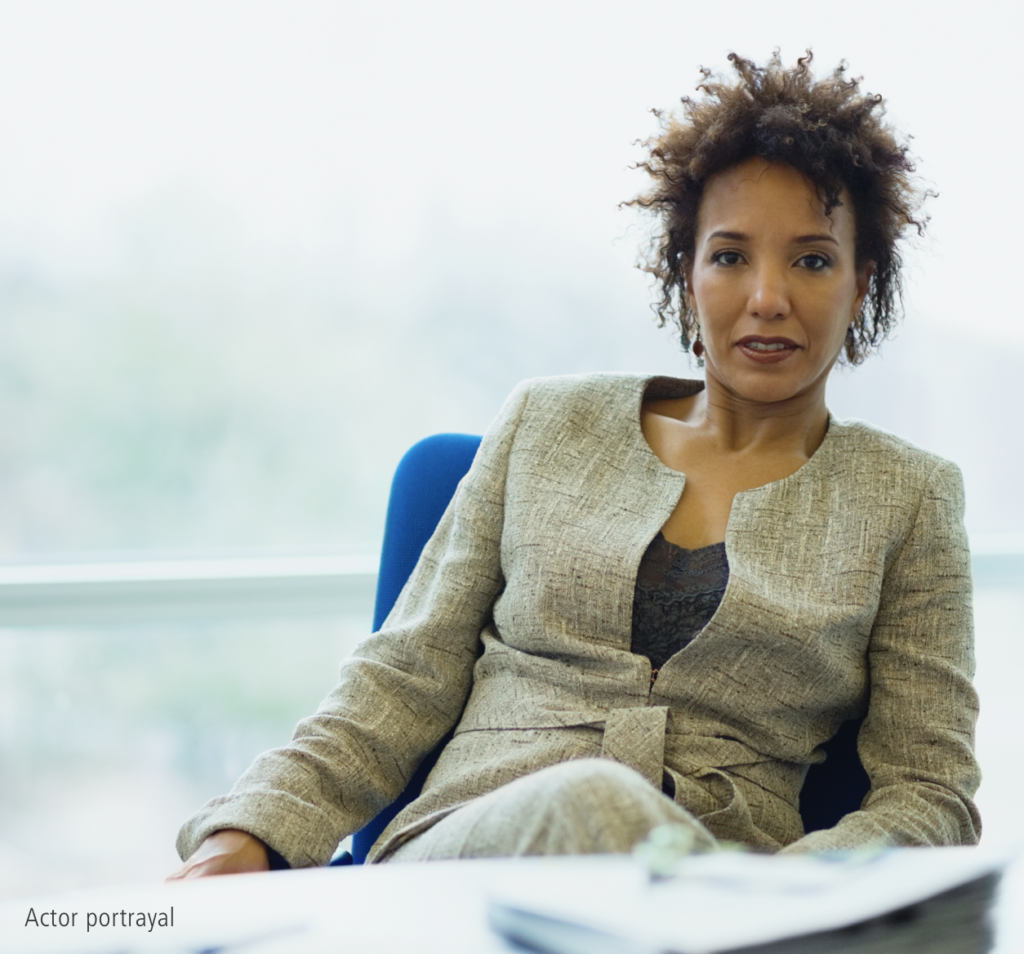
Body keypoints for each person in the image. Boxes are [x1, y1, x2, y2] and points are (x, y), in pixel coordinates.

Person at [170, 51, 980, 878]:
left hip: (717, 892)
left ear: (860, 280)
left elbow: (931, 793)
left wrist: (787, 888)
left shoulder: (908, 500)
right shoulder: (545, 424)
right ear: (686, 272)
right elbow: (399, 678)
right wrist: (251, 833)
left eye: (811, 260)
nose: (767, 296)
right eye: (730, 256)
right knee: (591, 801)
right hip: (467, 859)